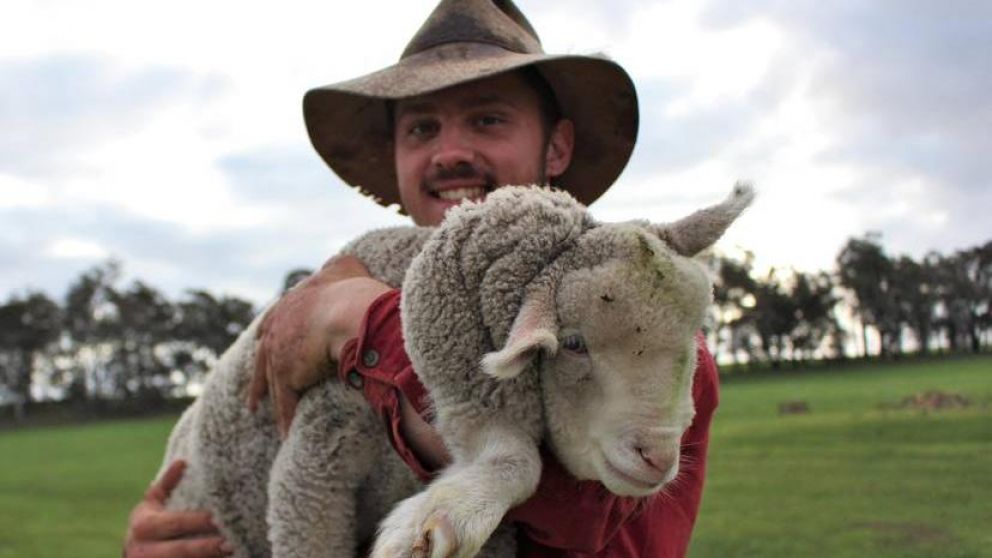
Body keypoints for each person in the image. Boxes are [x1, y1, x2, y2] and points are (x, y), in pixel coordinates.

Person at [122, 1, 720, 557]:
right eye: (421, 129)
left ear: (557, 146)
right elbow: (293, 476)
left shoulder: (644, 324)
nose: (448, 152)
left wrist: (359, 322)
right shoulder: (335, 286)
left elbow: (589, 514)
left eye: (488, 120)